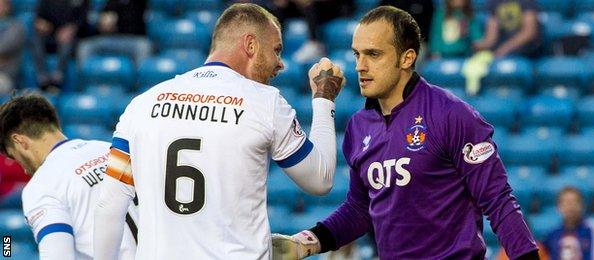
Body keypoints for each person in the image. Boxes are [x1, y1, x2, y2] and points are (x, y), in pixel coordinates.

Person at [271, 6, 539, 259]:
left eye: (373, 54)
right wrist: (305, 243)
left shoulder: (452, 114)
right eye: (357, 54)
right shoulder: (358, 126)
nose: (360, 66)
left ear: (407, 57)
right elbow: (359, 210)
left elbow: (498, 200)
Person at [93, 3, 345, 259]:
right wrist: (324, 99)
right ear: (250, 45)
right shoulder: (264, 102)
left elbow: (109, 205)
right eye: (276, 50)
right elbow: (320, 179)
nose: (280, 64)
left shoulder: (142, 105)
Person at [0, 93, 137, 259]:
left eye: (15, 157)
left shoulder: (41, 186)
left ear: (20, 141)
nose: (24, 170)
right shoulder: (111, 150)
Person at [32, 0, 90, 91]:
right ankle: (42, 77)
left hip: (73, 36)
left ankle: (58, 77)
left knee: (66, 41)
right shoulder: (45, 2)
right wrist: (42, 25)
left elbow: (83, 19)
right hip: (50, 34)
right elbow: (38, 19)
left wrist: (72, 29)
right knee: (35, 39)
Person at [77, 0, 152, 66]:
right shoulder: (110, 2)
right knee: (85, 46)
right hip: (109, 39)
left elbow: (135, 23)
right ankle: (84, 80)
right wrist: (102, 26)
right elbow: (102, 22)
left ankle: (141, 81)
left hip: (131, 40)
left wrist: (119, 25)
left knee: (143, 46)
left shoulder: (138, 2)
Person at [544, 186, 594, 260]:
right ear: (558, 207)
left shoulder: (593, 228)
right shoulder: (552, 234)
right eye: (566, 202)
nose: (570, 206)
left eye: (574, 202)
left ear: (582, 206)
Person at [473, 0, 540, 57]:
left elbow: (529, 32)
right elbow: (491, 38)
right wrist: (475, 45)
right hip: (504, 48)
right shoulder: (493, 2)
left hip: (527, 49)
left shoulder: (526, 1)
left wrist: (505, 49)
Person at [0, 0, 25, 92]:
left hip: (5, 76)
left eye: (1, 5)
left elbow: (3, 48)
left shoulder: (16, 27)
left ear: (8, 7)